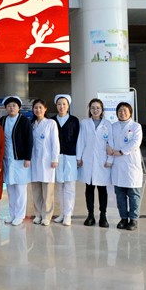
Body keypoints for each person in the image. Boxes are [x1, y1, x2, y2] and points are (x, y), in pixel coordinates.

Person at [76, 98, 114, 228]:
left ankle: (103, 216)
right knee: (89, 188)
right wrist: (79, 158)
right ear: (89, 109)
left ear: (102, 110)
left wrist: (110, 160)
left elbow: (111, 142)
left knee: (102, 189)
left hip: (102, 161)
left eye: (98, 108)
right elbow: (81, 141)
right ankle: (90, 215)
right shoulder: (84, 123)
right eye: (93, 108)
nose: (95, 110)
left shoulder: (107, 124)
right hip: (88, 160)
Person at [108, 102, 144, 231]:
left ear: (130, 113)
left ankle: (133, 219)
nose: (122, 113)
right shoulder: (113, 126)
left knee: (133, 195)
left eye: (125, 110)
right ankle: (123, 218)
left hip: (131, 164)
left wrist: (121, 151)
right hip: (117, 165)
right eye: (120, 111)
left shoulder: (136, 126)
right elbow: (108, 141)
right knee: (120, 195)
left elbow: (136, 142)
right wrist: (109, 149)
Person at [0, 96, 32, 226]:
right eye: (9, 106)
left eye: (14, 106)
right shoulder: (2, 120)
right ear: (6, 108)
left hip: (20, 159)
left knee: (20, 189)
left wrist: (28, 157)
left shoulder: (24, 121)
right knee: (10, 188)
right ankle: (12, 214)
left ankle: (20, 215)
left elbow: (29, 140)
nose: (11, 108)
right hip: (7, 159)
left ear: (19, 108)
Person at [30, 99, 60, 226]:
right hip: (34, 160)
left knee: (47, 191)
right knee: (36, 190)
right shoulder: (32, 124)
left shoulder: (51, 123)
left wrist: (55, 159)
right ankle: (38, 214)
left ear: (45, 109)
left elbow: (55, 142)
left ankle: (47, 215)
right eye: (35, 108)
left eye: (40, 107)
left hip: (48, 161)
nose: (38, 110)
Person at [51, 94, 80, 226]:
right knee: (59, 187)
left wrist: (79, 157)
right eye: (59, 104)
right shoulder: (52, 121)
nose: (61, 106)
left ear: (68, 106)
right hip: (57, 157)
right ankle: (62, 213)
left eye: (64, 104)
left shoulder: (74, 120)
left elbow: (79, 140)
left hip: (71, 156)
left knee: (69, 187)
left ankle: (68, 214)